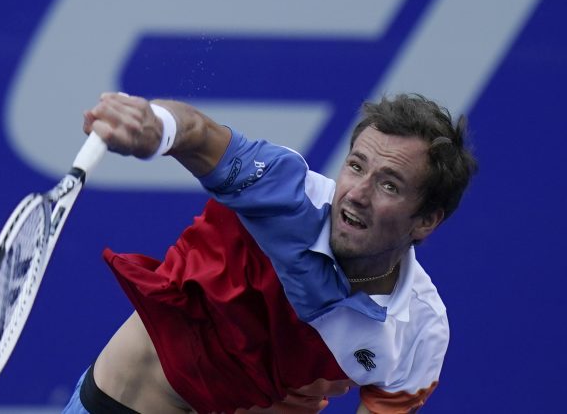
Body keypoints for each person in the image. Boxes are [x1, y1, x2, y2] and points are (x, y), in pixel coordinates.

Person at [63, 91, 477, 414]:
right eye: (355, 166)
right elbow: (200, 134)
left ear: (427, 220)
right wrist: (157, 125)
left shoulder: (421, 330)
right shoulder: (286, 193)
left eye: (389, 185)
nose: (357, 193)